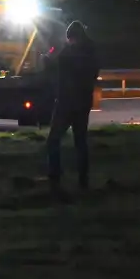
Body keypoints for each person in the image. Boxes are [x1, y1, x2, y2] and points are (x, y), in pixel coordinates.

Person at [45, 20, 101, 193]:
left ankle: (55, 177)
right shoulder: (91, 52)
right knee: (80, 142)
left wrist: (49, 60)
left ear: (72, 38)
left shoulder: (69, 53)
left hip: (67, 103)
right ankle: (83, 180)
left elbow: (55, 67)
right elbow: (93, 74)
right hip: (83, 103)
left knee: (53, 141)